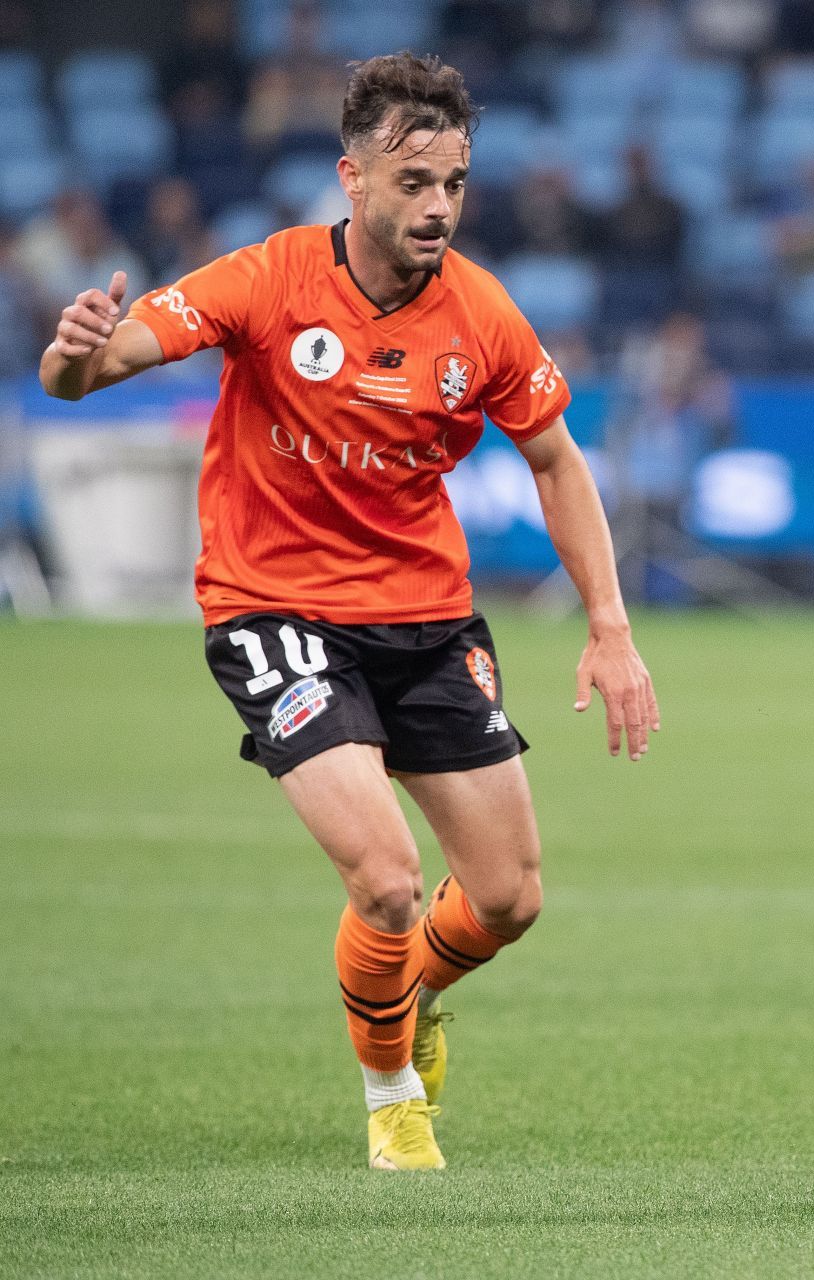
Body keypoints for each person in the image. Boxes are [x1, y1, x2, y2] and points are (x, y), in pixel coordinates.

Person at [38, 53, 660, 1171]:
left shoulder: (484, 316)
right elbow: (95, 368)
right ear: (352, 178)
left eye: (455, 184)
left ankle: (400, 995)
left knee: (509, 898)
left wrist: (610, 622)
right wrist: (73, 353)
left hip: (426, 617)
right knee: (384, 876)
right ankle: (391, 1093)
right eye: (414, 181)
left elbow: (560, 463)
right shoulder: (266, 280)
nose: (437, 207)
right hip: (273, 609)